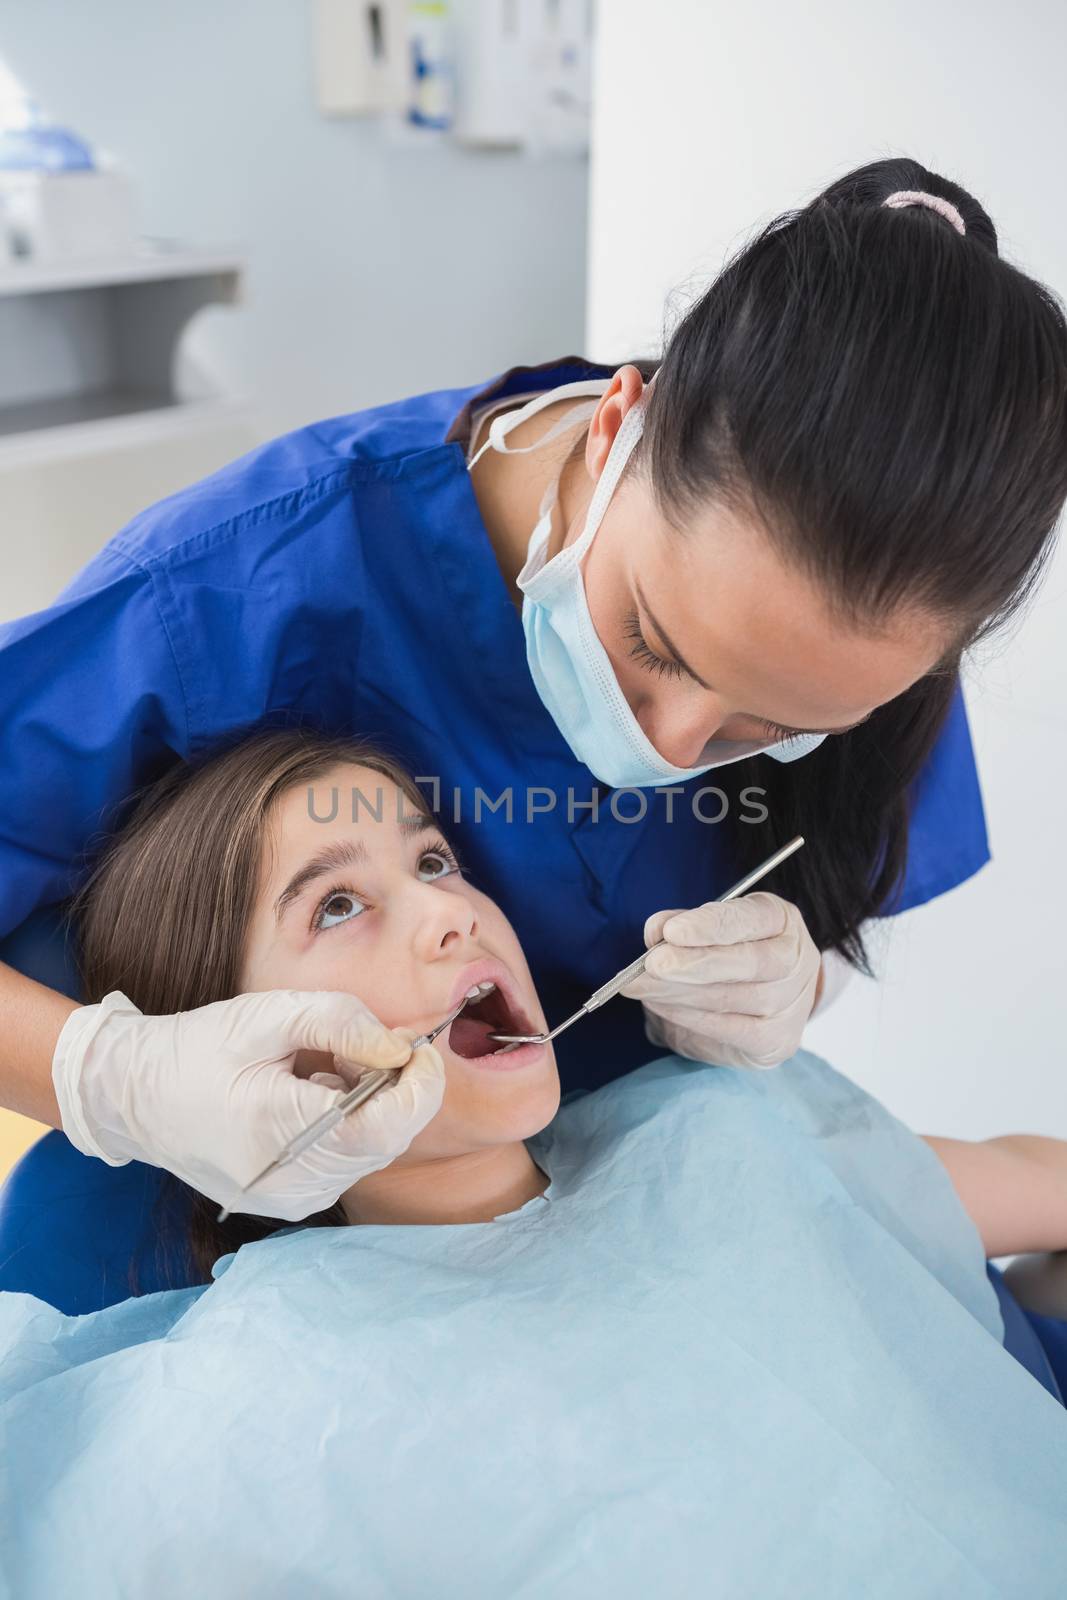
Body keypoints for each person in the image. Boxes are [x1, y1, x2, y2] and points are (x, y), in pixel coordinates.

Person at [2, 156, 1067, 1249]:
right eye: (653, 642)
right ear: (615, 428)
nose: (667, 745)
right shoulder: (224, 591)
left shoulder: (867, 618)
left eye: (773, 730)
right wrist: (109, 1077)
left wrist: (798, 977)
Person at [2, 725, 1067, 1598]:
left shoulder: (716, 1131)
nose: (449, 911)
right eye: (336, 904)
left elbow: (1035, 1184)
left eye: (432, 862)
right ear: (229, 1048)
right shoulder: (233, 1416)